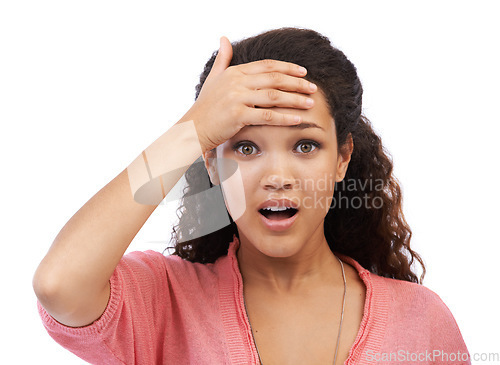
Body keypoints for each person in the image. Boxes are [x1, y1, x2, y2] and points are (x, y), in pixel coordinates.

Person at [33, 27, 471, 365]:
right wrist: (193, 129)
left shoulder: (423, 321)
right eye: (245, 148)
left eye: (305, 145)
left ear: (342, 158)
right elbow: (59, 284)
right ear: (209, 162)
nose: (277, 176)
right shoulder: (164, 302)